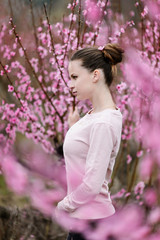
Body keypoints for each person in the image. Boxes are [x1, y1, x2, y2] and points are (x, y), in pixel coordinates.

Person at [56, 43, 124, 240]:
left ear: (95, 75)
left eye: (75, 77)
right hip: (85, 220)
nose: (70, 84)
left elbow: (92, 185)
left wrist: (63, 206)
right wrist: (74, 127)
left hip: (93, 224)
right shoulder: (95, 116)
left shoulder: (103, 122)